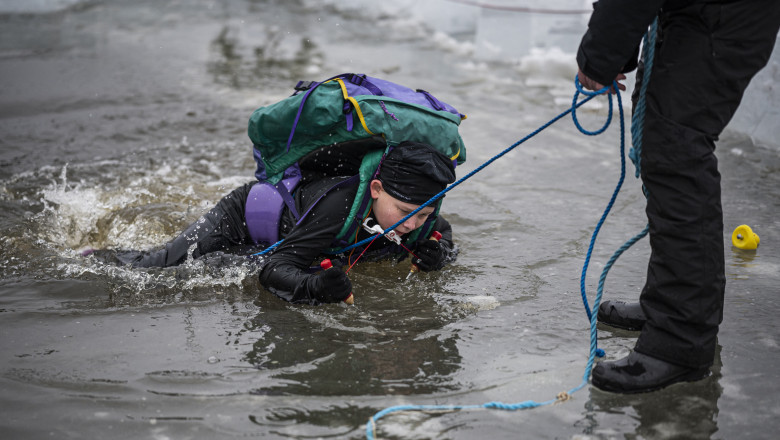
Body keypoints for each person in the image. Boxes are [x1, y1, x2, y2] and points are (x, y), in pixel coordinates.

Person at [575, 0, 780, 393]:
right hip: (701, 12)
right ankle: (667, 307)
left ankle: (680, 342)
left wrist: (600, 56)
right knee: (663, 137)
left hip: (726, 15)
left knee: (677, 149)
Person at [96, 141, 458, 305]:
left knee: (230, 266)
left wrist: (438, 253)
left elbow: (446, 235)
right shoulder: (340, 205)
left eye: (424, 214)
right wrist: (317, 288)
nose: (414, 224)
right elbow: (274, 269)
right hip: (244, 216)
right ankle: (91, 256)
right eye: (406, 211)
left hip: (287, 233)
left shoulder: (421, 214)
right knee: (158, 269)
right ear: (376, 189)